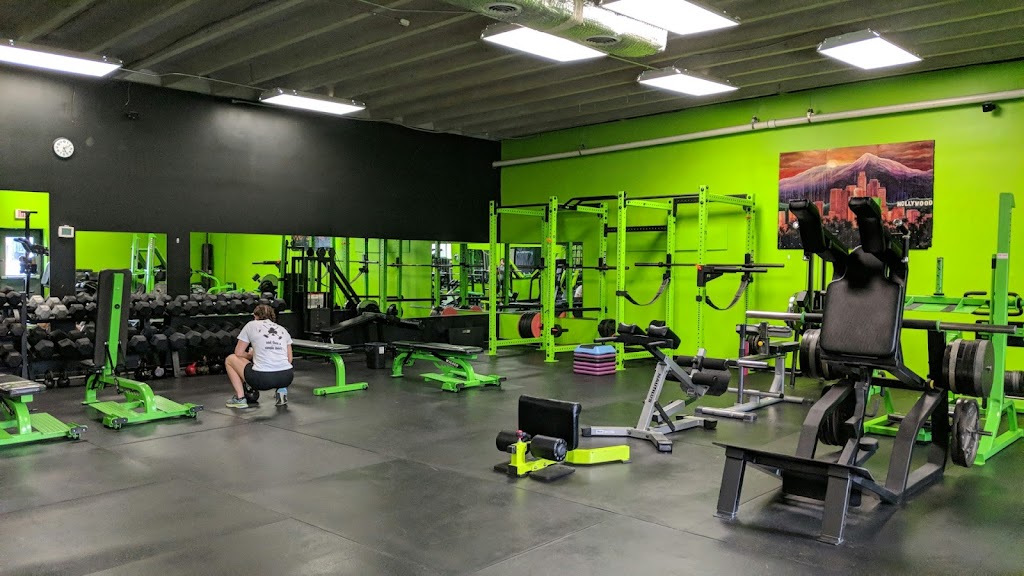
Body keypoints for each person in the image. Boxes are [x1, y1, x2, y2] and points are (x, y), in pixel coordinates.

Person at [225, 304, 294, 408]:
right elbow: (289, 359)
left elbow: (238, 353)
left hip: (262, 380)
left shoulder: (251, 325)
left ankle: (240, 398)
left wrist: (250, 355)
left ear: (255, 316)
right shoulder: (282, 330)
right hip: (286, 377)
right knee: (281, 364)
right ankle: (281, 391)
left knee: (230, 359)